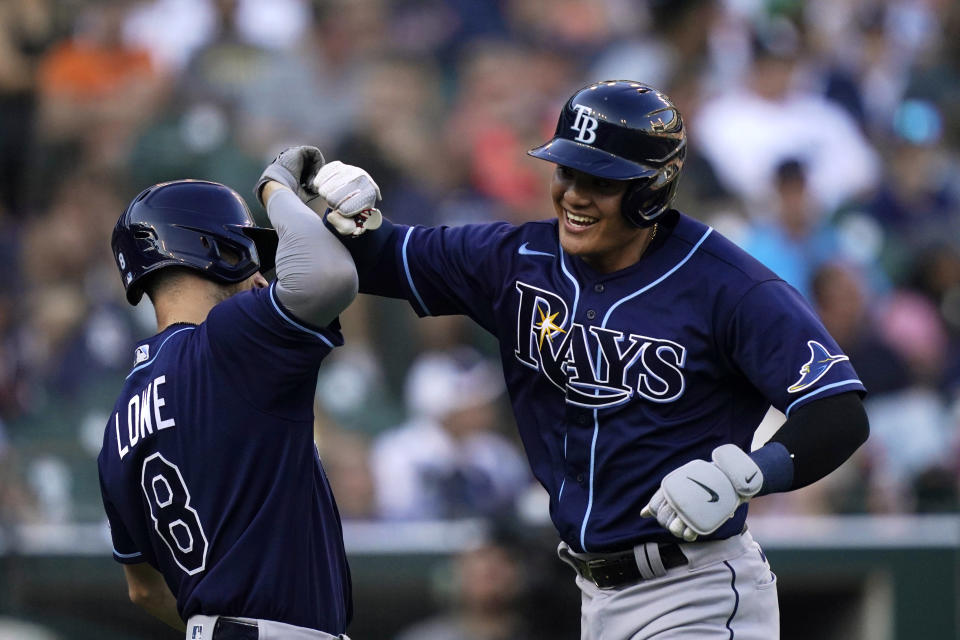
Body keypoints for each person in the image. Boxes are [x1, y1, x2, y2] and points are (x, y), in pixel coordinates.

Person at [309, 80, 871, 639]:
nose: (575, 195)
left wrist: (749, 474)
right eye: (567, 172)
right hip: (592, 595)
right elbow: (379, 255)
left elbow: (839, 411)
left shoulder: (728, 286)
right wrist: (310, 197)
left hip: (695, 590)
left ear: (652, 189)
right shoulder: (517, 258)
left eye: (600, 181)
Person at [97, 146, 369, 639]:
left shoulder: (119, 417)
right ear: (214, 250)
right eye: (246, 252)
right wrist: (275, 188)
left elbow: (143, 590)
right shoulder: (227, 341)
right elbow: (327, 277)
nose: (260, 275)